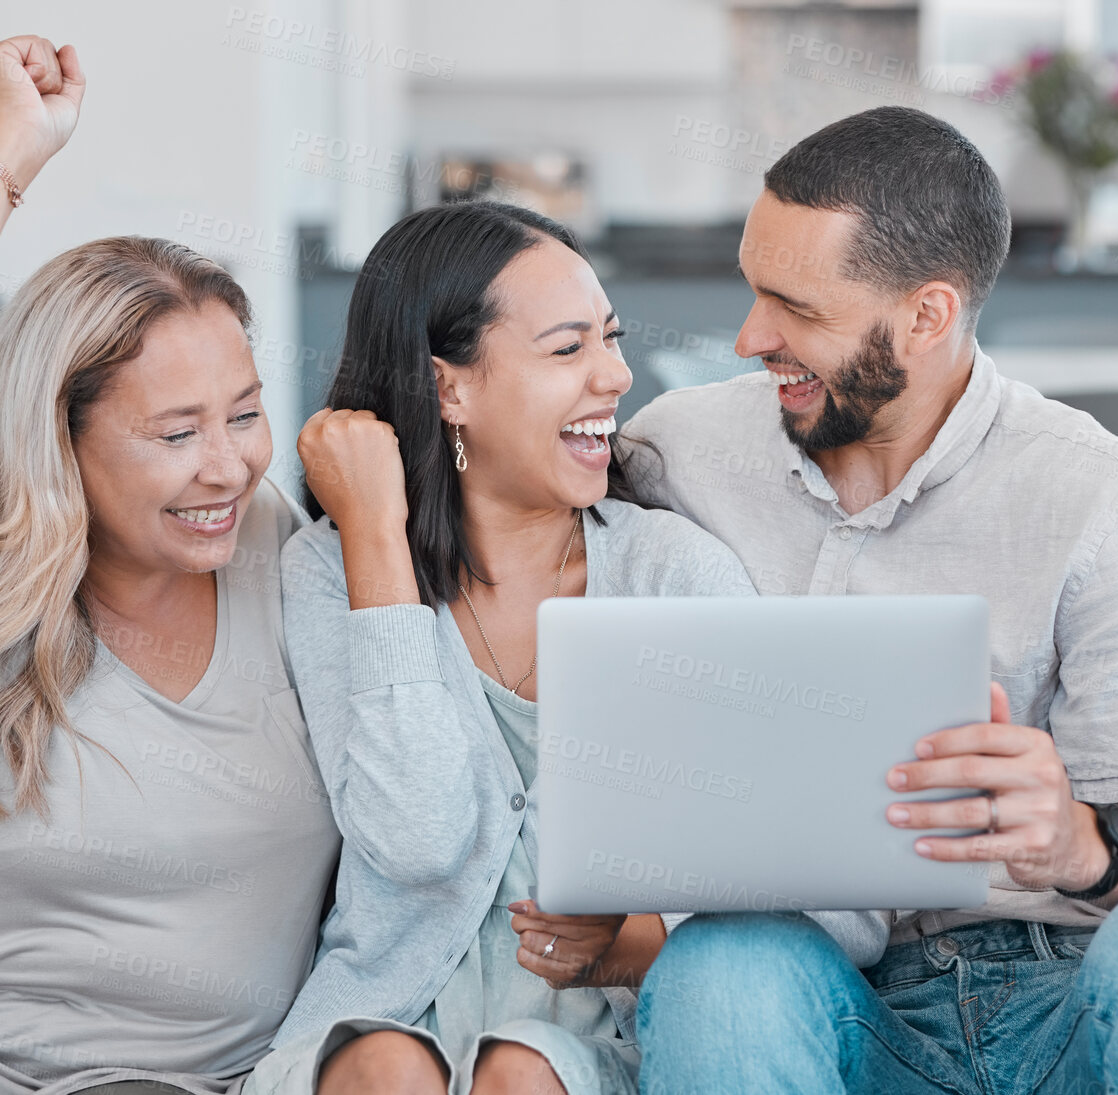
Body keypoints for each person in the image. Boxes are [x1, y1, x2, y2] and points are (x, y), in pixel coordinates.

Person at [620, 106, 1118, 1094]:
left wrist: (1079, 841)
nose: (747, 338)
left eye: (796, 310)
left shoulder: (1108, 502)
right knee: (721, 967)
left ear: (927, 316)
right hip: (823, 995)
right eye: (751, 291)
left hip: (1074, 993)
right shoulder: (677, 450)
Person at [244, 201, 884, 1095]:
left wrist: (637, 940)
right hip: (386, 1025)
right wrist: (378, 546)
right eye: (568, 348)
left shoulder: (670, 573)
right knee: (388, 1073)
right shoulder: (334, 568)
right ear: (448, 387)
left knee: (522, 1077)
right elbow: (419, 840)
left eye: (611, 341)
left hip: (598, 1050)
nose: (616, 376)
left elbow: (837, 897)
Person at [0, 36, 339, 1095]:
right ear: (58, 439)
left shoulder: (284, 559)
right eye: (175, 432)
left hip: (185, 1079)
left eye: (244, 416)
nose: (227, 466)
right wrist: (5, 149)